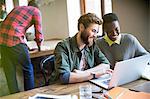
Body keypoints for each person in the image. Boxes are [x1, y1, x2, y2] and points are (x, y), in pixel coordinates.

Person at [49, 13, 110, 84]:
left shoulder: (91, 44)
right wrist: (93, 74)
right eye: (93, 31)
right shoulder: (63, 46)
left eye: (96, 32)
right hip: (60, 89)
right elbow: (65, 77)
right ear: (81, 27)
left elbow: (106, 64)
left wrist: (83, 73)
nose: (95, 36)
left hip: (82, 85)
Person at [0, 1, 44, 94]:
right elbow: (38, 32)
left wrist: (26, 47)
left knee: (10, 71)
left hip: (1, 41)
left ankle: (15, 96)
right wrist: (39, 47)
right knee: (27, 69)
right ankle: (30, 94)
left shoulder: (17, 9)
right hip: (15, 40)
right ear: (36, 7)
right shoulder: (36, 11)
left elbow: (16, 28)